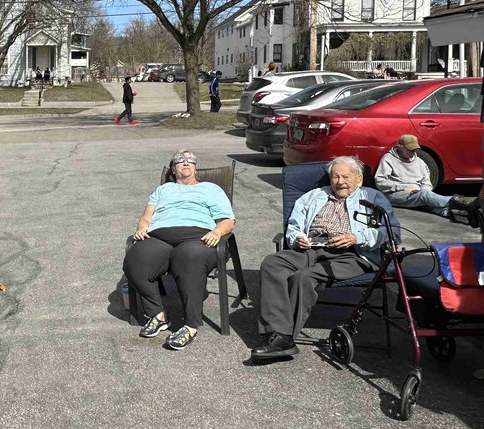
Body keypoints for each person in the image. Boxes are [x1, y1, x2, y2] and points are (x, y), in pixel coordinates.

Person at [251, 156, 388, 361]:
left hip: (351, 253)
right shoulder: (313, 196)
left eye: (345, 176)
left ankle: (283, 338)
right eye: (335, 176)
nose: (340, 181)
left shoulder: (373, 198)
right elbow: (294, 227)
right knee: (272, 263)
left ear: (359, 179)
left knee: (304, 278)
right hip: (311, 248)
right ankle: (277, 333)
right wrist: (297, 238)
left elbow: (388, 232)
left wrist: (356, 237)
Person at [122, 150, 235, 350]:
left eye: (190, 160)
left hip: (198, 237)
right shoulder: (163, 190)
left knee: (188, 258)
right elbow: (147, 217)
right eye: (180, 160)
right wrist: (141, 228)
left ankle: (191, 325)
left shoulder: (210, 189)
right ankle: (158, 314)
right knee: (135, 259)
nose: (185, 162)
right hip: (160, 236)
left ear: (195, 167)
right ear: (174, 168)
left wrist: (217, 232)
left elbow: (227, 220)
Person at [374, 135, 473, 221]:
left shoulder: (420, 162)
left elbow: (427, 183)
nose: (413, 152)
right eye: (409, 149)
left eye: (414, 149)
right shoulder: (388, 159)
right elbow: (380, 181)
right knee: (424, 196)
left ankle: (454, 214)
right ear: (400, 147)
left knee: (428, 201)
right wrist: (402, 187)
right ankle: (462, 204)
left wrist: (423, 191)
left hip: (418, 193)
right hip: (395, 194)